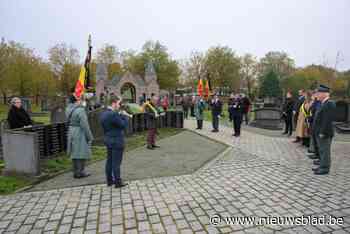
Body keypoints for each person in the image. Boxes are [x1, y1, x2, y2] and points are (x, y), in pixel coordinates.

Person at [100, 96, 129, 188]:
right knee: (116, 163)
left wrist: (119, 115)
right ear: (114, 103)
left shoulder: (104, 113)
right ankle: (118, 182)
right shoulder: (113, 114)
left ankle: (109, 181)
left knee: (109, 161)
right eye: (119, 103)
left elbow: (112, 124)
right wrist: (125, 116)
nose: (119, 105)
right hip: (117, 140)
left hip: (108, 139)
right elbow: (123, 125)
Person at [65, 95, 94, 179]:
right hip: (79, 131)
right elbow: (85, 125)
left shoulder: (68, 109)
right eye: (81, 100)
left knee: (74, 152)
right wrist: (89, 136)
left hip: (71, 131)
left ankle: (75, 171)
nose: (82, 101)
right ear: (77, 100)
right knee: (81, 152)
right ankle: (81, 172)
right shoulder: (80, 110)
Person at [312, 85, 336, 175]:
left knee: (325, 151)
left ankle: (324, 168)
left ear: (324, 94)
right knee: (321, 150)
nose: (317, 95)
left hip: (324, 133)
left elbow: (327, 120)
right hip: (319, 132)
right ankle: (321, 165)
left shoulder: (329, 104)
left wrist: (322, 132)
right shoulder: (324, 103)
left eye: (318, 93)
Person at [306, 91, 322, 159]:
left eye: (314, 94)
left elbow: (316, 114)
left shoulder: (318, 103)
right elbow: (311, 110)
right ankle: (316, 153)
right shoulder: (315, 102)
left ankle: (318, 155)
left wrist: (310, 118)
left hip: (315, 123)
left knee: (317, 141)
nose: (312, 96)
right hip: (313, 122)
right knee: (314, 139)